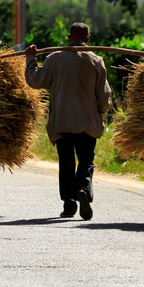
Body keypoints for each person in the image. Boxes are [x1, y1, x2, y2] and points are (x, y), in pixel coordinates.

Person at [24, 22, 112, 220]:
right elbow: (104, 97)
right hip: (87, 123)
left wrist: (31, 59)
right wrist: (102, 111)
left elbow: (35, 81)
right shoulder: (96, 61)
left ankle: (69, 204)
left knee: (66, 163)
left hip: (61, 122)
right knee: (86, 162)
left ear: (69, 37)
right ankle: (82, 189)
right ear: (88, 39)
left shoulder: (54, 59)